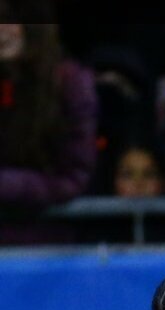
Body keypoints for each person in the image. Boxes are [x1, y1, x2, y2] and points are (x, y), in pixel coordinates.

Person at [0, 11, 97, 243]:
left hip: (46, 242)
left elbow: (75, 177)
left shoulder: (69, 84)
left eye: (10, 20)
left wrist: (11, 184)